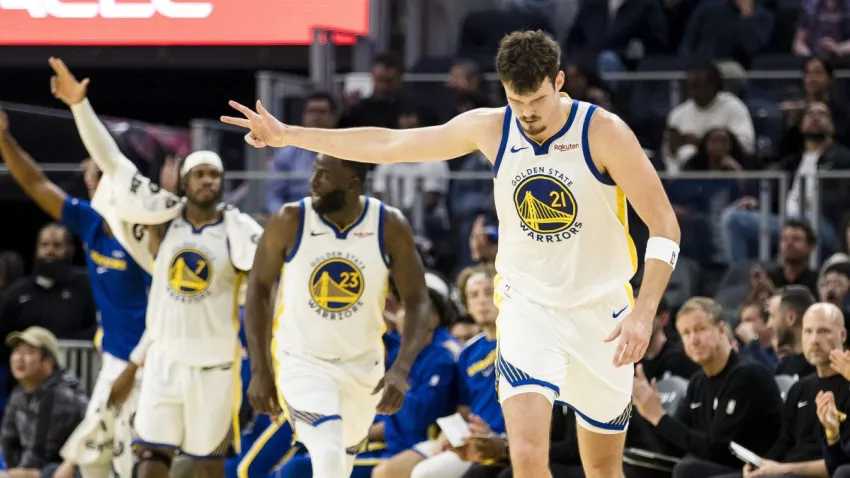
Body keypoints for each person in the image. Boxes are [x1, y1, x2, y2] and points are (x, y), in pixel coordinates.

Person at [222, 30, 680, 478]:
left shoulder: (603, 132)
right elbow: (390, 144)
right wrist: (288, 135)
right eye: (516, 101)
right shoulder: (492, 127)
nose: (527, 113)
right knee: (525, 457)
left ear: (558, 82)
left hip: (601, 314)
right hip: (529, 309)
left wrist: (643, 313)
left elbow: (664, 226)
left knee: (602, 467)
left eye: (537, 100)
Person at [52, 57, 263, 478]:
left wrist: (262, 366)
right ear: (183, 181)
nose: (207, 181)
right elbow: (113, 162)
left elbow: (266, 278)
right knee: (149, 460)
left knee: (208, 465)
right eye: (199, 174)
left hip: (214, 368)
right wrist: (79, 106)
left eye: (214, 175)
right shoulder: (161, 216)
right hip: (163, 364)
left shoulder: (239, 228)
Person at [242, 152, 433, 478]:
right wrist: (261, 370)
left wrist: (401, 369)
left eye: (324, 175)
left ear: (352, 184)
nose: (313, 182)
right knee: (327, 452)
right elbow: (258, 288)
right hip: (302, 361)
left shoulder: (388, 225)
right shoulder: (291, 220)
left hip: (363, 367)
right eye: (315, 172)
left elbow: (418, 301)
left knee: (340, 464)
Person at [0, 106, 149, 478]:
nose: (90, 181)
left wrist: (134, 366)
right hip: (113, 363)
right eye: (91, 176)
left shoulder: (148, 233)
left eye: (96, 175)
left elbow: (166, 310)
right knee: (89, 461)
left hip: (147, 365)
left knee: (133, 463)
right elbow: (36, 184)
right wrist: (4, 140)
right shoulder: (91, 221)